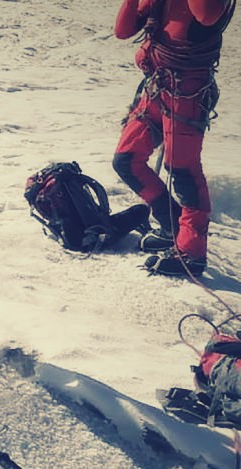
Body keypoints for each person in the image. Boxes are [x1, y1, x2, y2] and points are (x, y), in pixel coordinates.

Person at [112, 0, 234, 277]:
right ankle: (173, 226)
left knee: (183, 171)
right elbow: (123, 30)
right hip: (158, 86)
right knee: (126, 161)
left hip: (187, 92)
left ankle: (191, 253)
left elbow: (206, 15)